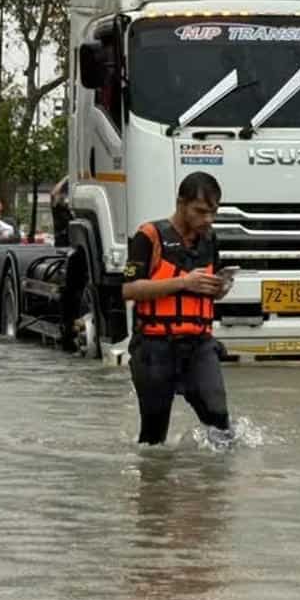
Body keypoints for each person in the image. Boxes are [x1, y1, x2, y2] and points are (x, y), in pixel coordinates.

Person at [123, 172, 233, 448]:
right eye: (201, 211)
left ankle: (217, 477)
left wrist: (219, 288)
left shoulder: (210, 240)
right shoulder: (149, 236)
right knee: (154, 438)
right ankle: (154, 477)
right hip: (154, 348)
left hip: (199, 345)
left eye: (213, 212)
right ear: (181, 203)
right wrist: (184, 282)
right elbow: (128, 289)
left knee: (220, 423)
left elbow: (209, 287)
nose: (208, 219)